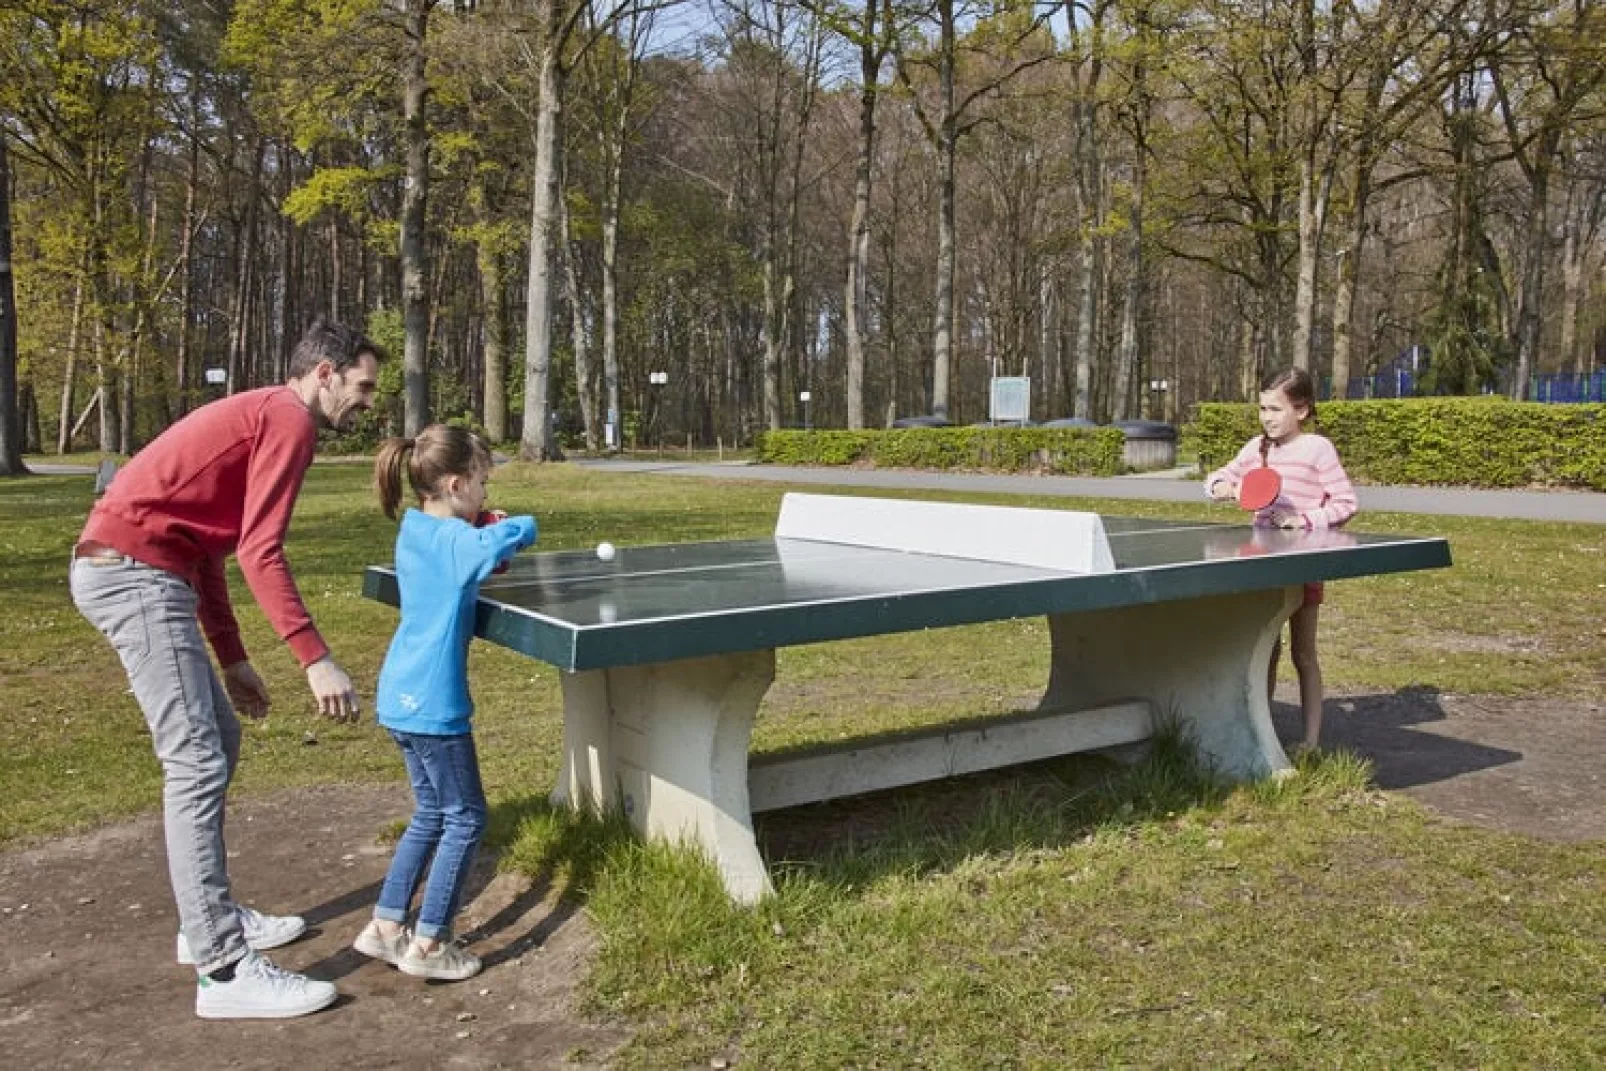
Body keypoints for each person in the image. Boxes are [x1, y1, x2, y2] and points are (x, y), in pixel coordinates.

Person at [69, 318, 382, 1019]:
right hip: (134, 573)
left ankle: (203, 919)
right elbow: (259, 552)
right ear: (325, 373)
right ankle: (222, 968)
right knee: (196, 760)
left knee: (220, 740)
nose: (367, 403)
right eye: (362, 387)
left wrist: (234, 657)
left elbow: (211, 545)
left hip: (150, 568)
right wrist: (315, 657)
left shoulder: (268, 413)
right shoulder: (291, 420)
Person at [353, 425, 535, 982]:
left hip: (398, 695)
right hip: (436, 705)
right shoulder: (463, 542)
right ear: (456, 484)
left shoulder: (413, 530)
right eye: (480, 482)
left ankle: (385, 926)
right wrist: (501, 523)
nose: (484, 492)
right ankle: (432, 943)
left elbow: (470, 552)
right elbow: (519, 533)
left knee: (431, 812)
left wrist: (477, 524)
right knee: (465, 816)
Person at [1205, 368, 1357, 752]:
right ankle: (1263, 732)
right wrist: (1220, 487)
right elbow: (1217, 477)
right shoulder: (1257, 449)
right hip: (1263, 563)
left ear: (1302, 410)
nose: (1266, 417)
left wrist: (1303, 520)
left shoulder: (1317, 449)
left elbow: (1346, 503)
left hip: (1304, 563)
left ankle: (1309, 740)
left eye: (1275, 409)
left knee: (1303, 653)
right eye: (1262, 408)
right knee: (1264, 652)